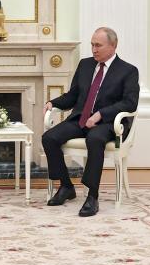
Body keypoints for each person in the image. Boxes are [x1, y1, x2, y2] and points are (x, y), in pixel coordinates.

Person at [42, 27, 139, 217]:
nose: (94, 49)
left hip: (108, 124)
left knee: (94, 140)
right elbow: (73, 96)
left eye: (98, 45)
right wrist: (53, 103)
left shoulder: (128, 71)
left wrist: (101, 114)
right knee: (49, 138)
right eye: (92, 45)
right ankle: (66, 186)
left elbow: (129, 103)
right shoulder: (85, 65)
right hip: (81, 119)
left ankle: (92, 196)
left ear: (113, 46)